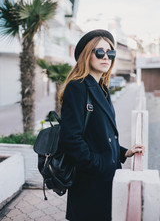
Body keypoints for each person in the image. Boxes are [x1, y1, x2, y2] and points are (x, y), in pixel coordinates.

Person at [59, 29, 145, 221]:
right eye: (99, 52)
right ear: (86, 54)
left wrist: (124, 153)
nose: (106, 57)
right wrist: (97, 165)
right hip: (90, 182)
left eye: (110, 53)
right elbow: (70, 138)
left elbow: (101, 134)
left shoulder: (102, 88)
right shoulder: (77, 86)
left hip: (105, 178)